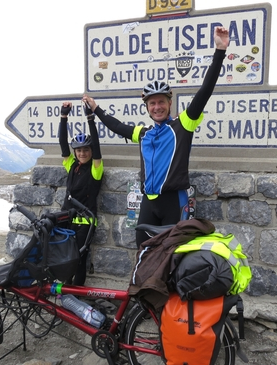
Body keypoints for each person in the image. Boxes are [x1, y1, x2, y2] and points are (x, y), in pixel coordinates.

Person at [83, 26, 230, 248]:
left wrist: (219, 51)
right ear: (147, 107)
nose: (157, 107)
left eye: (161, 101)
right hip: (148, 205)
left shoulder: (183, 125)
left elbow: (205, 91)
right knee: (143, 253)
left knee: (170, 257)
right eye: (152, 103)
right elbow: (117, 126)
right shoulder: (144, 133)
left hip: (173, 201)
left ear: (170, 103)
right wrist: (96, 109)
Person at [58, 101, 103, 285]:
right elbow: (62, 143)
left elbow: (97, 146)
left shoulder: (95, 168)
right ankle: (66, 290)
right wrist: (63, 117)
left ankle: (76, 293)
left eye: (86, 150)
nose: (82, 153)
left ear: (91, 151)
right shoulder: (71, 165)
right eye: (79, 150)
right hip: (67, 218)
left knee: (80, 259)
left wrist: (90, 118)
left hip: (86, 222)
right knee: (66, 257)